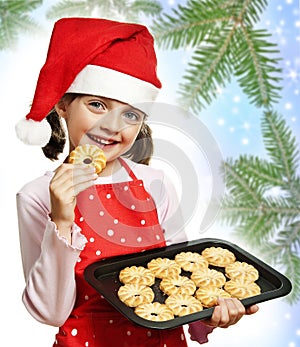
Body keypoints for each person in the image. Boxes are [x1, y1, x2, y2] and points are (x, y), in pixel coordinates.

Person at [15, 18, 258, 347]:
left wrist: (214, 313)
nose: (113, 127)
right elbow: (52, 313)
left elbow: (181, 281)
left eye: (130, 114)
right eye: (97, 105)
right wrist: (62, 217)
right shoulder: (37, 196)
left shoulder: (155, 183)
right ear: (63, 105)